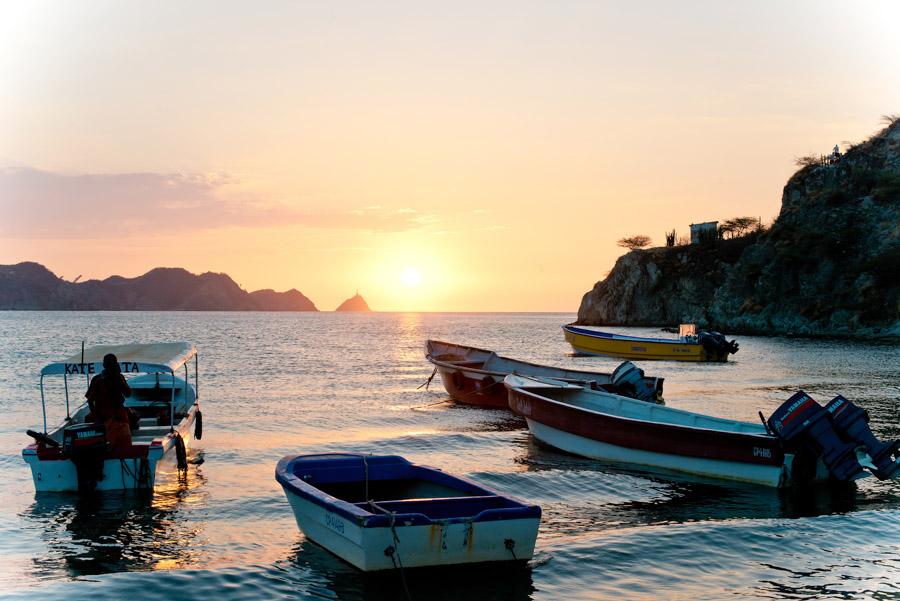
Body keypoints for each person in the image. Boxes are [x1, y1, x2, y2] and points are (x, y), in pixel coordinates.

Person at [85, 353, 133, 455]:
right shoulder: (98, 380)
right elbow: (90, 400)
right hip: (107, 418)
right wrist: (96, 416)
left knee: (124, 444)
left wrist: (119, 379)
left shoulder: (119, 378)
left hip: (118, 416)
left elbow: (128, 393)